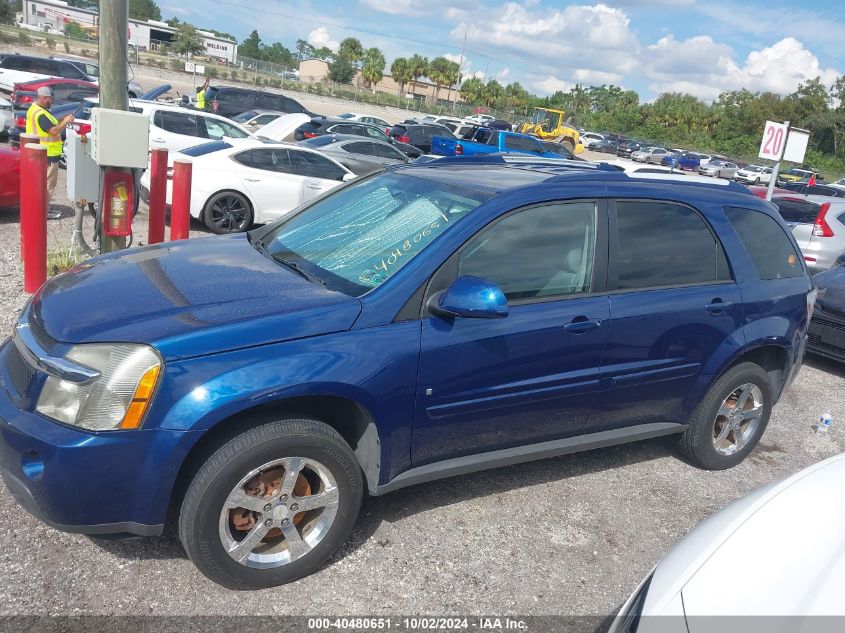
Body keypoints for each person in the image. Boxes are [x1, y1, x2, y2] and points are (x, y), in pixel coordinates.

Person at [25, 86, 74, 219]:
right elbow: (53, 131)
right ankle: (44, 211)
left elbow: (50, 125)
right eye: (49, 99)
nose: (51, 101)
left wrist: (61, 119)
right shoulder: (40, 114)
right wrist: (65, 122)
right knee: (48, 184)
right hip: (48, 154)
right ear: (43, 98)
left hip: (42, 153)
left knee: (43, 184)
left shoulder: (37, 110)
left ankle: (41, 209)